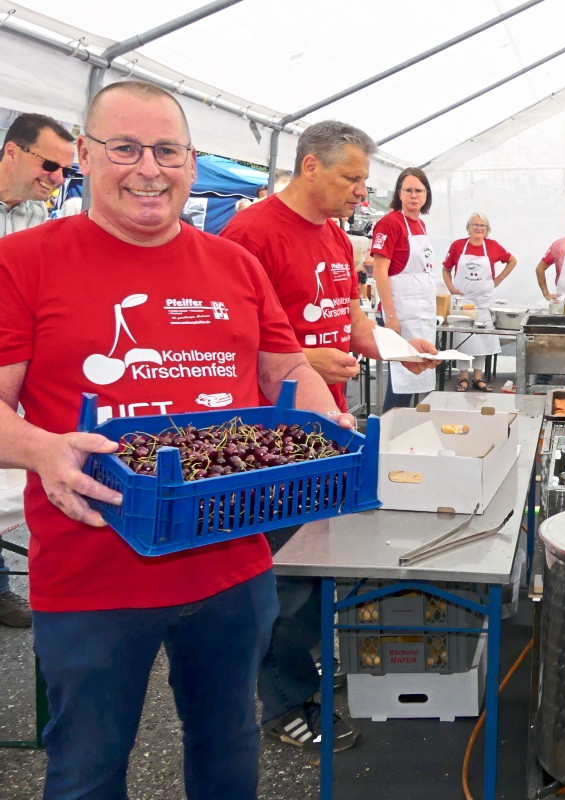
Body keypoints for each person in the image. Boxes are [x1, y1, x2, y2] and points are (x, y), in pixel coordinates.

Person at [0, 79, 354, 798]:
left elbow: (284, 362)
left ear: (192, 162)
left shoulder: (233, 265)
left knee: (228, 752)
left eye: (166, 150)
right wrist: (42, 450)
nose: (148, 169)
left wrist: (322, 423)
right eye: (124, 148)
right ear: (87, 157)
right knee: (87, 770)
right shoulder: (25, 261)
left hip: (230, 563)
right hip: (92, 566)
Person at [221, 120, 436, 754]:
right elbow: (228, 340)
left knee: (323, 561)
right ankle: (283, 701)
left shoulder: (338, 237)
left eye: (365, 181)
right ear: (309, 168)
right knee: (283, 573)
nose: (361, 193)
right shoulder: (250, 233)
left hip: (330, 426)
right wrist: (305, 362)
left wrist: (400, 348)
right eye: (351, 179)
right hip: (273, 438)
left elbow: (349, 316)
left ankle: (308, 672)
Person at [0, 111, 75, 628]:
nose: (56, 179)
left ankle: (0, 581)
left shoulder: (35, 215)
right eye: (50, 164)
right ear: (11, 152)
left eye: (66, 171)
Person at [372, 167, 438, 409]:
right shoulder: (390, 223)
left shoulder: (420, 224)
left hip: (420, 315)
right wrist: (390, 316)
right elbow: (380, 272)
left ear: (426, 195)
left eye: (419, 191)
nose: (414, 195)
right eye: (408, 190)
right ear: (399, 194)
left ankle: (406, 432)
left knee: (415, 377)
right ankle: (387, 434)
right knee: (400, 382)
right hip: (398, 314)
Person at [442, 212, 516, 392]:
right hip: (463, 301)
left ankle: (478, 377)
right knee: (462, 339)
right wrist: (451, 287)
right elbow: (446, 269)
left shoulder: (492, 246)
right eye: (475, 225)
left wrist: (497, 280)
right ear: (468, 227)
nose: (478, 228)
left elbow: (512, 261)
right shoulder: (458, 246)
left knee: (482, 340)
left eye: (482, 226)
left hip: (482, 302)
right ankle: (463, 377)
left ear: (487, 229)